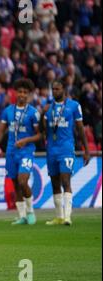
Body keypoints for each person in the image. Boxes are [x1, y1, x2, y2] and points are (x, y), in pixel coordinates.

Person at [0, 78, 42, 225]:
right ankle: (21, 216)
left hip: (26, 152)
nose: (22, 95)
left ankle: (31, 211)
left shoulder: (33, 113)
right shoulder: (8, 111)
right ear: (15, 93)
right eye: (20, 91)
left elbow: (40, 135)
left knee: (23, 180)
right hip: (11, 151)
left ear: (29, 95)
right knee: (15, 183)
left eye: (25, 92)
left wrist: (25, 141)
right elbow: (1, 131)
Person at [44, 80, 90, 226]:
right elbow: (44, 131)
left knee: (66, 181)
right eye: (53, 89)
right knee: (54, 183)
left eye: (57, 89)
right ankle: (58, 216)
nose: (54, 91)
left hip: (66, 149)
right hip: (51, 150)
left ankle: (68, 216)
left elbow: (80, 129)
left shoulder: (74, 106)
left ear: (63, 90)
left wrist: (86, 150)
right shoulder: (48, 109)